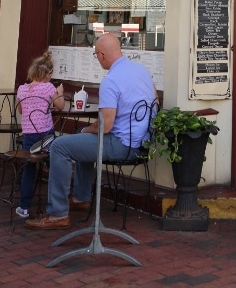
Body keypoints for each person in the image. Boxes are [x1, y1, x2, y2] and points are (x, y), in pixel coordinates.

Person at [26, 32, 156, 231]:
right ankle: (81, 197)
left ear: (102, 56)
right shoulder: (142, 71)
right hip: (142, 143)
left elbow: (106, 125)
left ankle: (57, 214)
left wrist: (87, 129)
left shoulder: (111, 80)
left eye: (96, 56)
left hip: (122, 145)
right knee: (82, 136)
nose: (97, 60)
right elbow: (155, 101)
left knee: (60, 146)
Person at [15, 50, 65, 219]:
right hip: (46, 134)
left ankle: (24, 206)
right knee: (54, 166)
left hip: (29, 135)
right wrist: (60, 93)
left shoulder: (22, 89)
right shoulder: (49, 87)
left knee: (29, 169)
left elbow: (21, 110)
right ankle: (55, 203)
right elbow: (60, 106)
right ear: (48, 74)